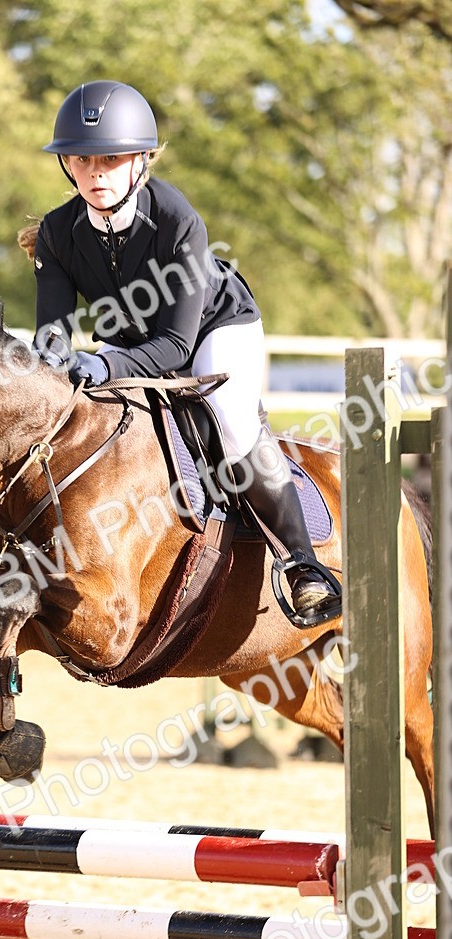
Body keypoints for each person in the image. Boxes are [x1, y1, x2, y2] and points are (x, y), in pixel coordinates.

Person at [21, 79, 338, 620]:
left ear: (141, 158)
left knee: (231, 421)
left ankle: (303, 564)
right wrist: (50, 361)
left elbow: (175, 345)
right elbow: (52, 332)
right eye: (81, 159)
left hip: (213, 329)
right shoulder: (57, 231)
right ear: (66, 164)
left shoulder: (177, 219)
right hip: (129, 341)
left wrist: (99, 362)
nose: (95, 173)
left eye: (112, 158)